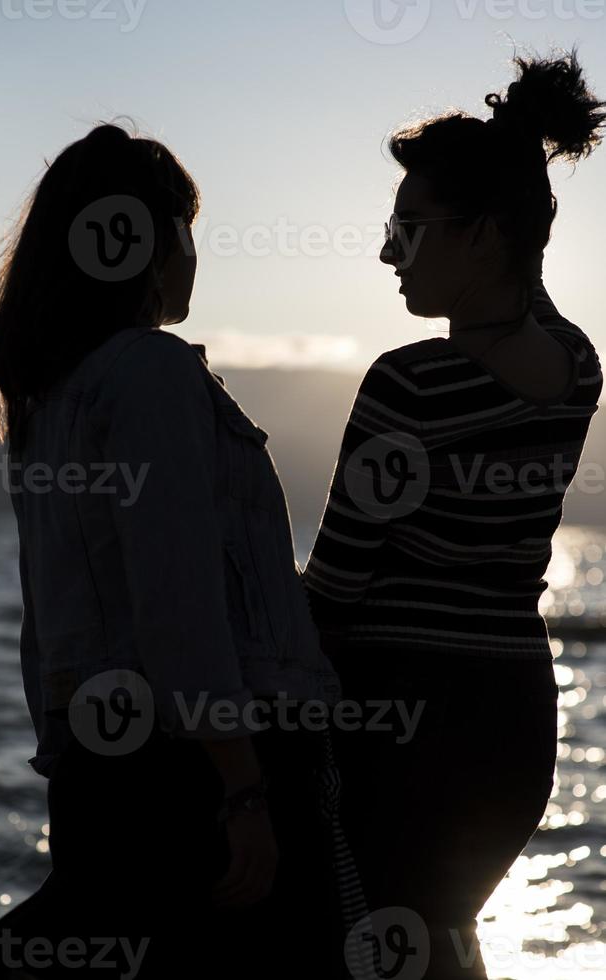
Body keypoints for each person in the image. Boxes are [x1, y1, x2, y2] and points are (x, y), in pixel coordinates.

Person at [0, 120, 342, 978]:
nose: (191, 256)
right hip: (195, 775)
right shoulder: (151, 374)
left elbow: (48, 622)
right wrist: (244, 788)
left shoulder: (50, 400)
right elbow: (179, 605)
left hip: (105, 770)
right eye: (188, 232)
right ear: (144, 241)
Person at [302, 47, 605, 979]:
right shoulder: (578, 366)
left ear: (481, 234)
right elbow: (530, 323)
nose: (390, 251)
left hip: (403, 725)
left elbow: (336, 592)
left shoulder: (408, 386)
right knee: (441, 937)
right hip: (512, 721)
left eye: (410, 228)